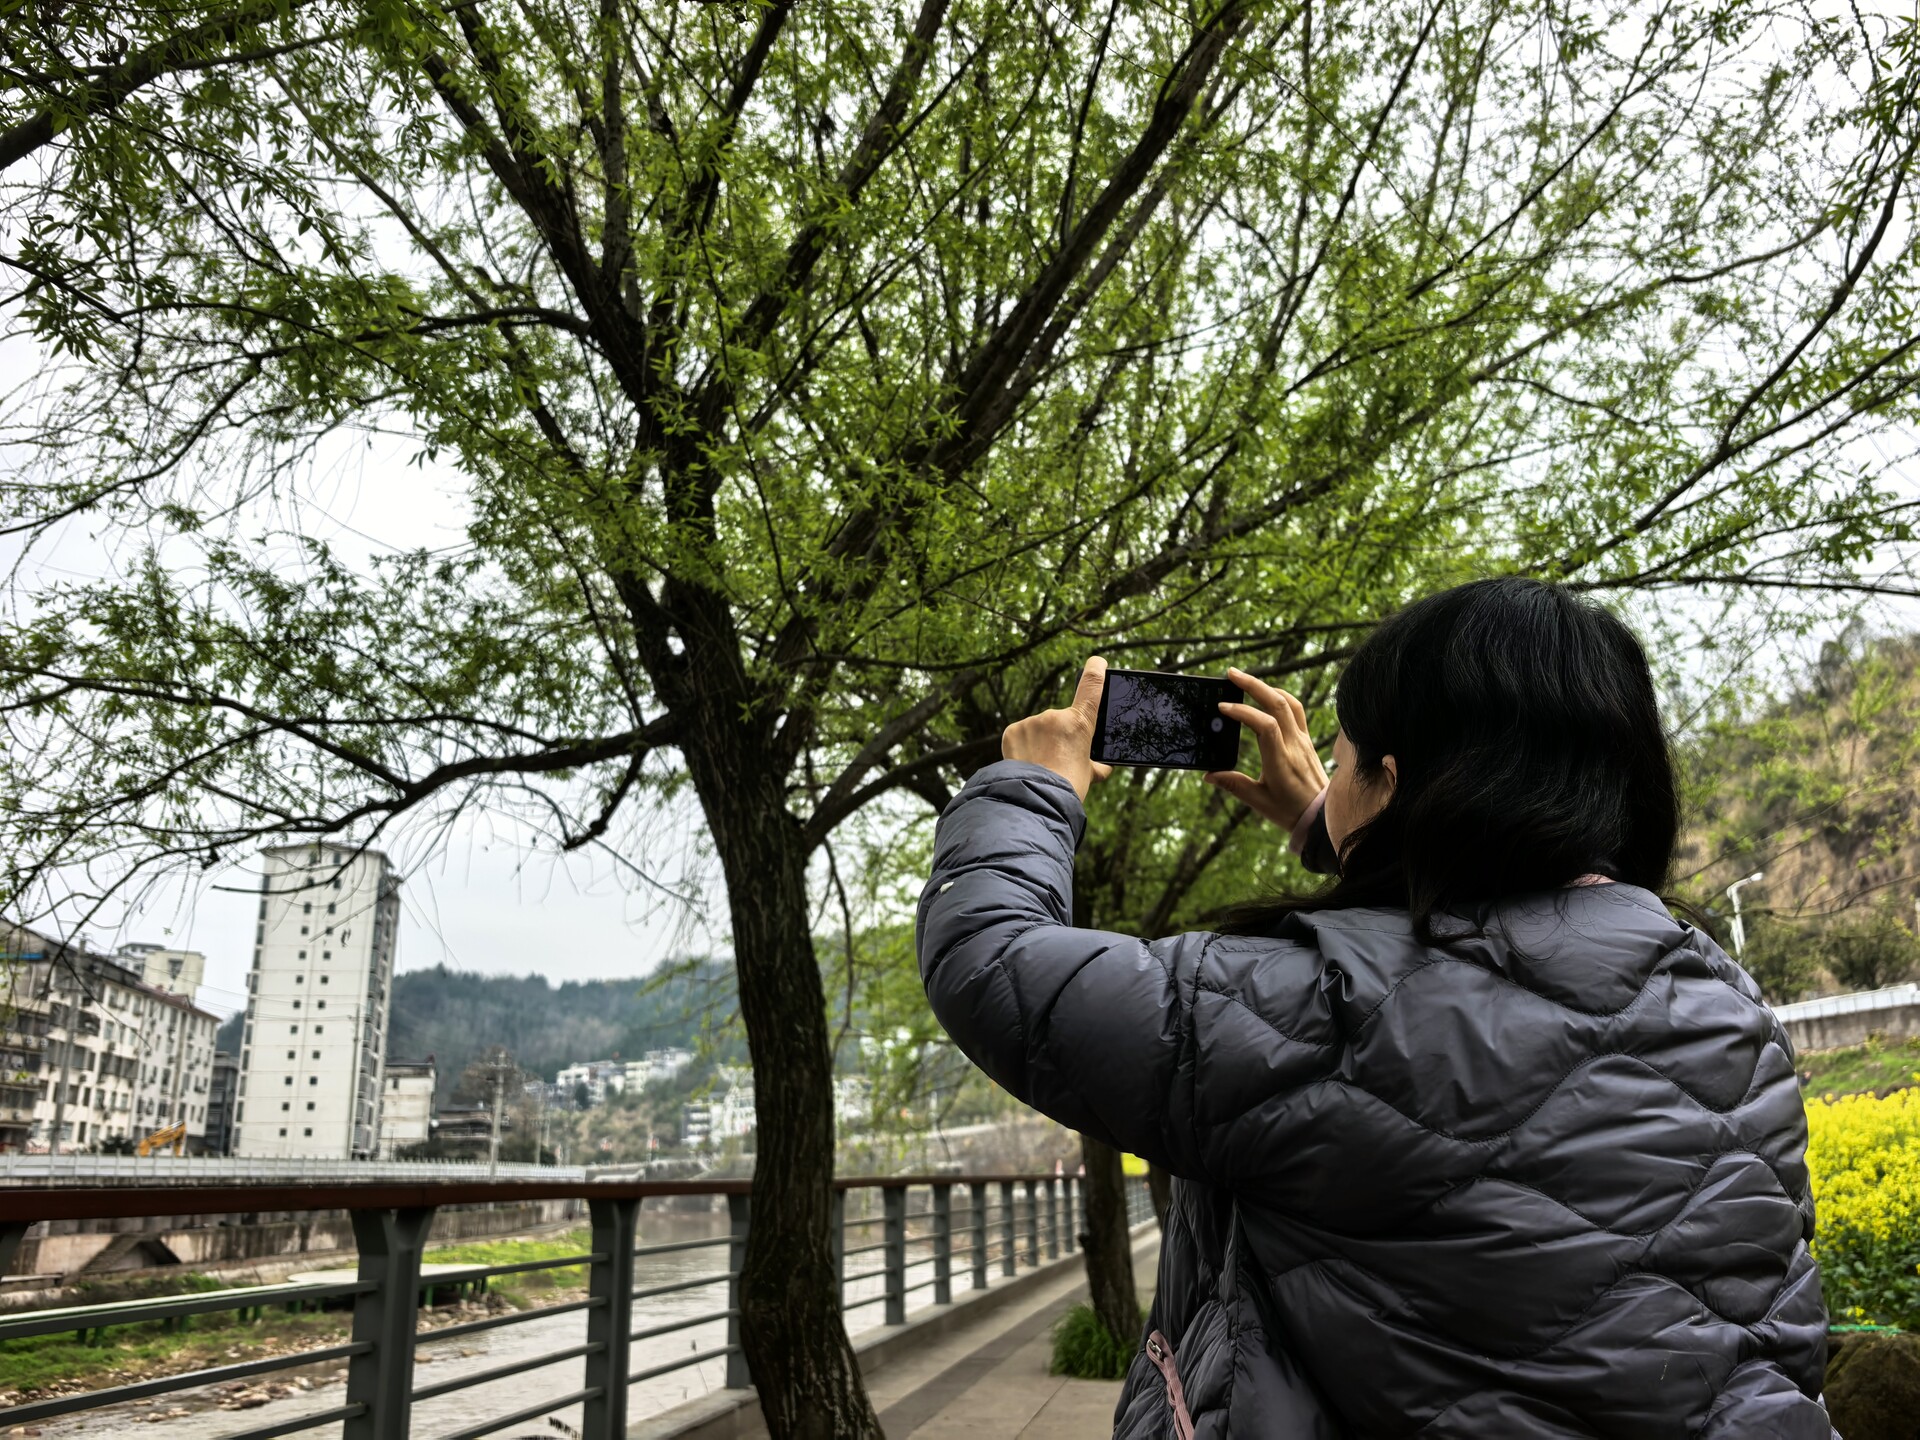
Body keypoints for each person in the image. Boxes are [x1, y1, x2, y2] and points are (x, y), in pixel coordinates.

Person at [916, 578, 1831, 1438]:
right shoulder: (1726, 1003)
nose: (1331, 772)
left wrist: (1031, 788)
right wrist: (1332, 824)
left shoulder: (1312, 1012)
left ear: (1391, 783)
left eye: (1345, 758)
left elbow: (990, 962)